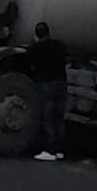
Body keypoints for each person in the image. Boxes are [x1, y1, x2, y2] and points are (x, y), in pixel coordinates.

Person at [27, 22, 67, 162]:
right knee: (59, 117)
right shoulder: (59, 45)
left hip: (46, 83)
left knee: (48, 117)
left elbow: (30, 61)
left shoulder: (36, 48)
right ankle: (59, 150)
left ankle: (50, 150)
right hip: (61, 83)